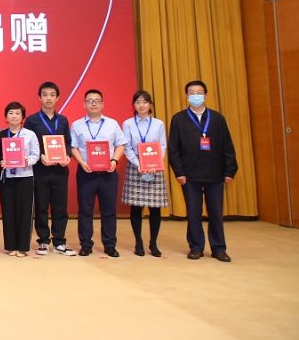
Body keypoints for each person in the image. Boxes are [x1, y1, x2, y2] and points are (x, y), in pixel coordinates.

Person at [168, 80, 238, 262]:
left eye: (199, 92)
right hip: (189, 175)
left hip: (215, 174)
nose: (195, 96)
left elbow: (228, 146)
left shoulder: (217, 119)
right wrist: (179, 172)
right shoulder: (178, 119)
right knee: (193, 212)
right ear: (187, 96)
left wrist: (229, 171)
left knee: (216, 213)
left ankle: (219, 248)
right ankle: (196, 247)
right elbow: (173, 149)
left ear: (206, 95)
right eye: (192, 93)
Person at [69, 89, 127, 257]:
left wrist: (114, 160)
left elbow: (120, 144)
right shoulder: (77, 125)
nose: (93, 103)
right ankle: (86, 244)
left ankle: (110, 244)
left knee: (109, 211)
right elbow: (73, 147)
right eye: (89, 101)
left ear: (102, 104)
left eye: (97, 100)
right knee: (85, 210)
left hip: (108, 173)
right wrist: (82, 162)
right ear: (84, 104)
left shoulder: (112, 124)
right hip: (86, 173)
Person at [24, 81, 76, 256]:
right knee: (41, 206)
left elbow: (67, 142)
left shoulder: (63, 120)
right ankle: (43, 241)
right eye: (45, 95)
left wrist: (67, 156)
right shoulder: (31, 120)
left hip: (60, 170)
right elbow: (28, 143)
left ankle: (59, 241)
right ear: (39, 98)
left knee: (60, 207)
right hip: (40, 170)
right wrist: (40, 156)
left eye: (52, 95)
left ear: (57, 98)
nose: (48, 98)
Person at [121, 90, 168, 257]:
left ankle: (153, 243)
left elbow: (162, 145)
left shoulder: (158, 124)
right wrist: (139, 164)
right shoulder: (128, 124)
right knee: (136, 207)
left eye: (145, 102)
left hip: (155, 168)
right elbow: (126, 147)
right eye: (138, 102)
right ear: (133, 105)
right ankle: (138, 242)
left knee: (155, 208)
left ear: (150, 104)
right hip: (136, 167)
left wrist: (156, 163)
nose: (141, 105)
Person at [0, 102, 40, 257]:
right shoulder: (0, 135)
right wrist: (0, 162)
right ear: (6, 116)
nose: (14, 116)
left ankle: (23, 246)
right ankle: (11, 246)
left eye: (18, 113)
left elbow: (36, 154)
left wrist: (27, 161)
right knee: (8, 212)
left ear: (23, 117)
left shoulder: (30, 135)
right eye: (11, 113)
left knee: (25, 212)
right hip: (7, 179)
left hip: (25, 177)